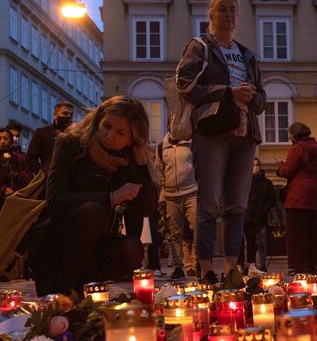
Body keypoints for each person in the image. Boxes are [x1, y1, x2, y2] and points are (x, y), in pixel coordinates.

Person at [177, 0, 266, 284]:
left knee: (238, 204)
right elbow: (185, 84)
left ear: (237, 16)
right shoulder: (200, 47)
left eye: (232, 10)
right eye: (222, 9)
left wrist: (251, 96)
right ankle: (206, 269)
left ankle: (231, 267)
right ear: (211, 14)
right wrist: (229, 92)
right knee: (210, 203)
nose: (227, 14)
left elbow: (262, 100)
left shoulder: (247, 55)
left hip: (245, 135)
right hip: (212, 133)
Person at [30, 96, 156, 296]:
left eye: (120, 133)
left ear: (131, 138)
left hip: (93, 249)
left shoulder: (127, 160)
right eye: (106, 126)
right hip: (54, 245)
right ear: (99, 119)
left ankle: (83, 293)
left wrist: (141, 164)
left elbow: (144, 209)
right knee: (93, 211)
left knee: (132, 248)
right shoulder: (71, 144)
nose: (109, 135)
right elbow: (55, 201)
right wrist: (111, 197)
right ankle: (64, 297)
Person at [277, 122, 317, 274]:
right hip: (314, 193)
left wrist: (280, 167)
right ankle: (315, 263)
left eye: (290, 134)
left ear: (295, 134)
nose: (289, 137)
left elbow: (289, 170)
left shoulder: (298, 147)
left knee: (296, 232)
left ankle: (298, 264)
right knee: (312, 231)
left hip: (298, 195)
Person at [156, 133, 198, 280]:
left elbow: (200, 166)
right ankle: (179, 267)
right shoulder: (162, 147)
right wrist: (162, 196)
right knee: (175, 233)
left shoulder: (191, 143)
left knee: (196, 229)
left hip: (192, 192)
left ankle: (200, 263)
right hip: (171, 195)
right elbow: (160, 173)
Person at [0, 128, 32, 237]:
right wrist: (2, 189)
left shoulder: (19, 159)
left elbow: (26, 177)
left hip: (15, 203)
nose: (3, 141)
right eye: (0, 138)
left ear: (11, 141)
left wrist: (18, 190)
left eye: (6, 138)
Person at [241, 158, 277, 275]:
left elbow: (272, 198)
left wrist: (264, 209)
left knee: (261, 242)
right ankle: (249, 264)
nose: (255, 167)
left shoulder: (266, 183)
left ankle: (262, 265)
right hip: (248, 216)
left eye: (257, 165)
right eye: (253, 165)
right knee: (248, 242)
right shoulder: (245, 181)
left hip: (260, 216)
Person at [26, 102, 74, 174]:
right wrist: (41, 174)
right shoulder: (43, 133)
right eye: (65, 113)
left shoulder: (75, 135)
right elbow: (31, 157)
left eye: (71, 114)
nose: (68, 116)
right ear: (55, 115)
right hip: (49, 177)